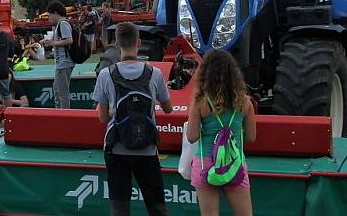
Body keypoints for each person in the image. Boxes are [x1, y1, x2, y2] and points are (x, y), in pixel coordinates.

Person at [94, 22, 173, 216]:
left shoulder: (106, 74)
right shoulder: (154, 73)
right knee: (156, 206)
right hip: (147, 149)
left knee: (119, 208)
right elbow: (169, 110)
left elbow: (103, 118)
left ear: (116, 43)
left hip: (116, 147)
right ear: (139, 42)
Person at [186, 50, 256, 216]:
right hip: (234, 164)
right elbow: (251, 138)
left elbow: (192, 137)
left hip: (205, 165)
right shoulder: (245, 103)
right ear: (234, 73)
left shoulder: (200, 102)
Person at [40, 0, 74, 108]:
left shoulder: (63, 24)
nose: (49, 17)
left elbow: (69, 40)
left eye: (50, 14)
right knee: (57, 90)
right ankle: (59, 112)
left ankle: (64, 115)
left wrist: (52, 43)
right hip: (62, 62)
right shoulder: (60, 24)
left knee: (62, 92)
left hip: (64, 62)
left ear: (55, 13)